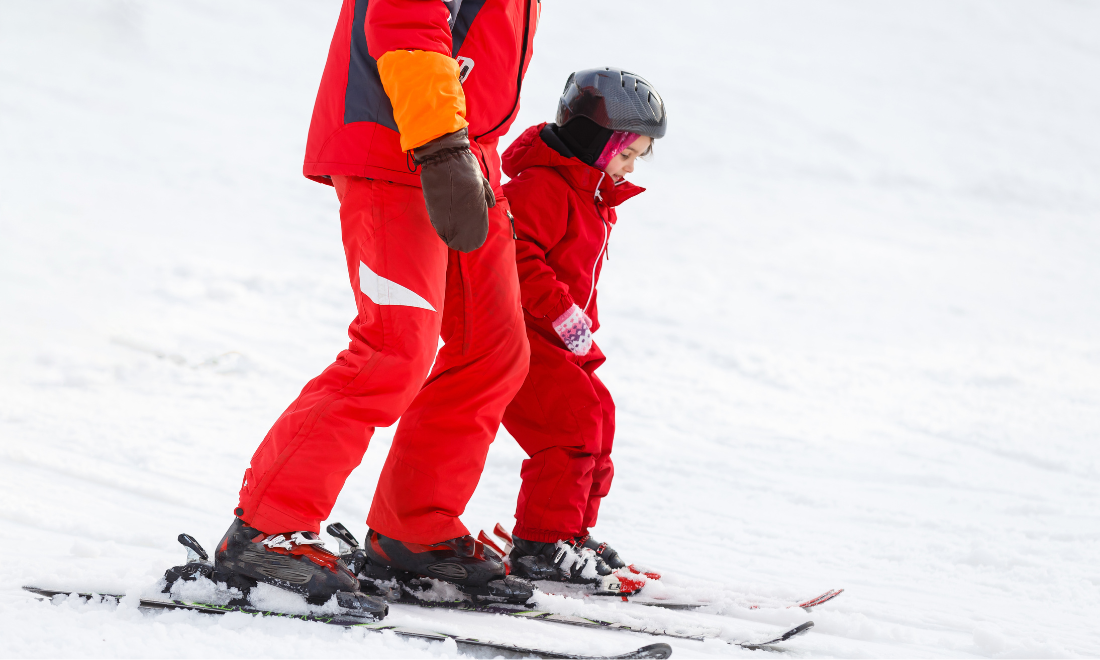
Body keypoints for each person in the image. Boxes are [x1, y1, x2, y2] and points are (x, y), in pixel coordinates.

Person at [211, 0, 541, 609]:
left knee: (494, 350)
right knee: (393, 350)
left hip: (470, 152)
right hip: (404, 148)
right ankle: (265, 533)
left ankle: (412, 534)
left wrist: (463, 147)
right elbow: (405, 18)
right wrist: (441, 146)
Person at [498, 68, 668, 587]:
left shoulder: (588, 194)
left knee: (600, 418)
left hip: (563, 338)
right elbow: (516, 255)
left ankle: (568, 532)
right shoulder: (544, 188)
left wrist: (578, 328)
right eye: (625, 154)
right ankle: (541, 544)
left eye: (637, 158)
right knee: (569, 428)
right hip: (524, 334)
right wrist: (560, 311)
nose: (629, 167)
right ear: (593, 141)